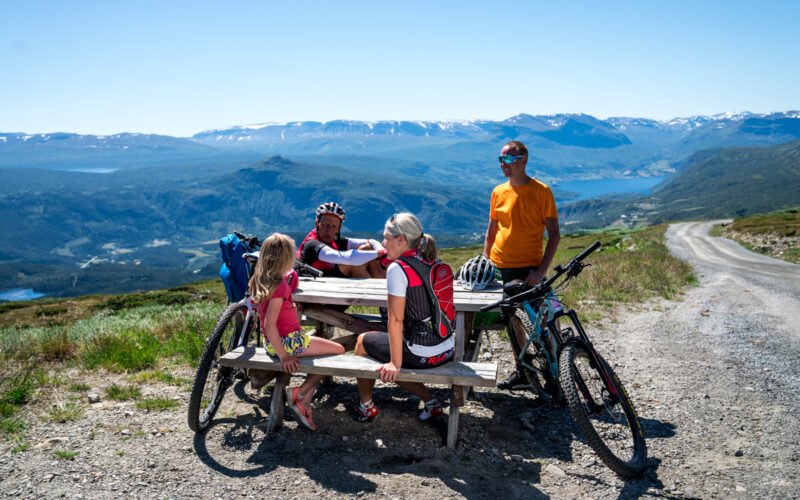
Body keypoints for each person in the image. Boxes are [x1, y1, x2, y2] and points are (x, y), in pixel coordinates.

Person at [353, 213, 453, 422]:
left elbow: (395, 320)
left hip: (422, 353)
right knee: (389, 345)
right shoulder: (432, 260)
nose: (383, 243)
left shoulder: (398, 269)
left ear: (402, 240)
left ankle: (366, 406)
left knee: (362, 342)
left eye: (387, 237)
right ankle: (432, 402)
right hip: (445, 348)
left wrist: (395, 363)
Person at [483, 140, 561, 391]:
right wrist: (486, 262)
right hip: (501, 267)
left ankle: (555, 372)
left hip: (530, 268)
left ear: (523, 160)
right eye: (500, 159)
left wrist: (540, 272)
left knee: (544, 318)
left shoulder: (542, 191)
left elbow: (554, 235)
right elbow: (492, 230)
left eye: (508, 160)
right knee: (511, 321)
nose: (503, 165)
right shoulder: (498, 191)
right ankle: (523, 370)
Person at [248, 232, 345, 431]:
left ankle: (304, 399)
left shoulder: (259, 279)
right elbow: (269, 324)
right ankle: (300, 393)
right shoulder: (280, 286)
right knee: (338, 351)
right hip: (288, 343)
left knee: (322, 347)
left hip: (274, 343)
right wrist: (284, 357)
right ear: (286, 259)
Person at [297, 202, 387, 278]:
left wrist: (381, 251)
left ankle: (382, 283)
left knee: (367, 248)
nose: (329, 230)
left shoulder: (334, 239)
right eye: (325, 225)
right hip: (316, 286)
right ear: (317, 223)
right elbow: (348, 258)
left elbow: (370, 241)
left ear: (338, 228)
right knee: (353, 264)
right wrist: (379, 254)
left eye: (334, 226)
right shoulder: (311, 244)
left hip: (332, 281)